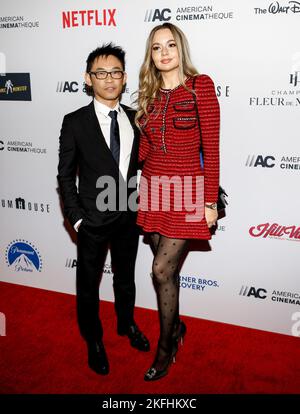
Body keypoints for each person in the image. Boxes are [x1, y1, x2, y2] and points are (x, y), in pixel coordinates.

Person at [57, 43, 150, 376]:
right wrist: (77, 217)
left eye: (115, 73)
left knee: (125, 280)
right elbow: (65, 174)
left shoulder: (135, 118)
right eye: (101, 73)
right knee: (88, 285)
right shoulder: (75, 122)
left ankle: (126, 325)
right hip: (92, 220)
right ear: (88, 78)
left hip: (127, 214)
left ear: (124, 78)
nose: (108, 79)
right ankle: (93, 340)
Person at [135, 23, 220, 381]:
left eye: (170, 45)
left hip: (187, 191)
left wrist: (210, 201)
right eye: (157, 48)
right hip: (154, 188)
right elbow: (147, 147)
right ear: (151, 56)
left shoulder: (201, 87)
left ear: (180, 48)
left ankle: (166, 348)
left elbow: (212, 150)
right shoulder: (149, 94)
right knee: (166, 274)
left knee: (160, 270)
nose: (164, 52)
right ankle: (176, 326)